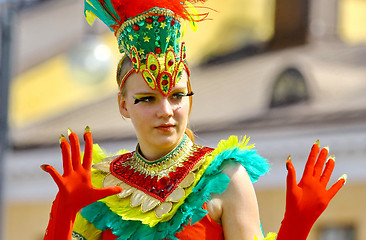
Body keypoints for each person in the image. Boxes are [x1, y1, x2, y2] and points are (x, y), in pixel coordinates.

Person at [41, 0, 347, 239]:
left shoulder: (225, 177)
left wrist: (295, 228)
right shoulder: (99, 185)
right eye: (147, 98)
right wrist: (64, 213)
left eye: (176, 96)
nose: (166, 110)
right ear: (123, 105)